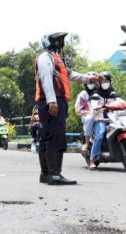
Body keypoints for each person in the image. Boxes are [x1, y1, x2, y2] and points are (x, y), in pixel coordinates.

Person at [35, 32, 104, 185]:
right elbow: (46, 77)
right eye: (56, 39)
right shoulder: (45, 57)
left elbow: (70, 75)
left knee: (47, 138)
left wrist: (89, 78)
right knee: (55, 136)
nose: (60, 41)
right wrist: (52, 101)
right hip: (52, 100)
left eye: (61, 39)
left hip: (53, 100)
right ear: (48, 41)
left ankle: (46, 174)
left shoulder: (57, 58)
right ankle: (55, 175)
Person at [88, 72, 118, 170]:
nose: (105, 83)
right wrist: (97, 107)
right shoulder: (96, 94)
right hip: (100, 119)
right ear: (99, 82)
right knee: (100, 135)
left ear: (110, 82)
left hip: (112, 120)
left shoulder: (113, 94)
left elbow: (120, 102)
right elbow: (93, 106)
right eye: (103, 81)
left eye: (107, 81)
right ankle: (92, 159)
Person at [74, 74, 98, 154]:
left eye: (93, 82)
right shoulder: (83, 94)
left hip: (100, 115)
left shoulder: (99, 93)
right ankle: (87, 142)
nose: (91, 84)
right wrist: (88, 112)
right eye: (89, 82)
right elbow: (78, 110)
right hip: (87, 115)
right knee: (90, 118)